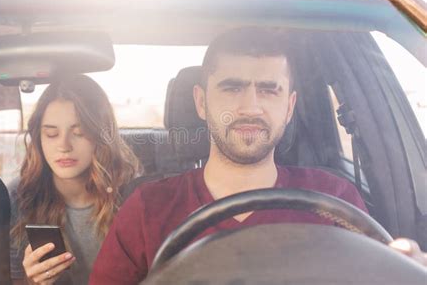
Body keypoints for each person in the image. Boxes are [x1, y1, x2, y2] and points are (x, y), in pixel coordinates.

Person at [89, 27, 426, 284]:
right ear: (202, 102)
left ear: (290, 106)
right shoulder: (148, 209)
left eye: (268, 90)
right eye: (232, 87)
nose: (250, 107)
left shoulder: (334, 199)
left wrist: (405, 270)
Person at [9, 74, 141, 285]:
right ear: (38, 139)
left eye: (78, 133)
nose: (64, 145)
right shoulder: (21, 196)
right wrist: (32, 281)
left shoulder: (135, 195)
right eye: (51, 134)